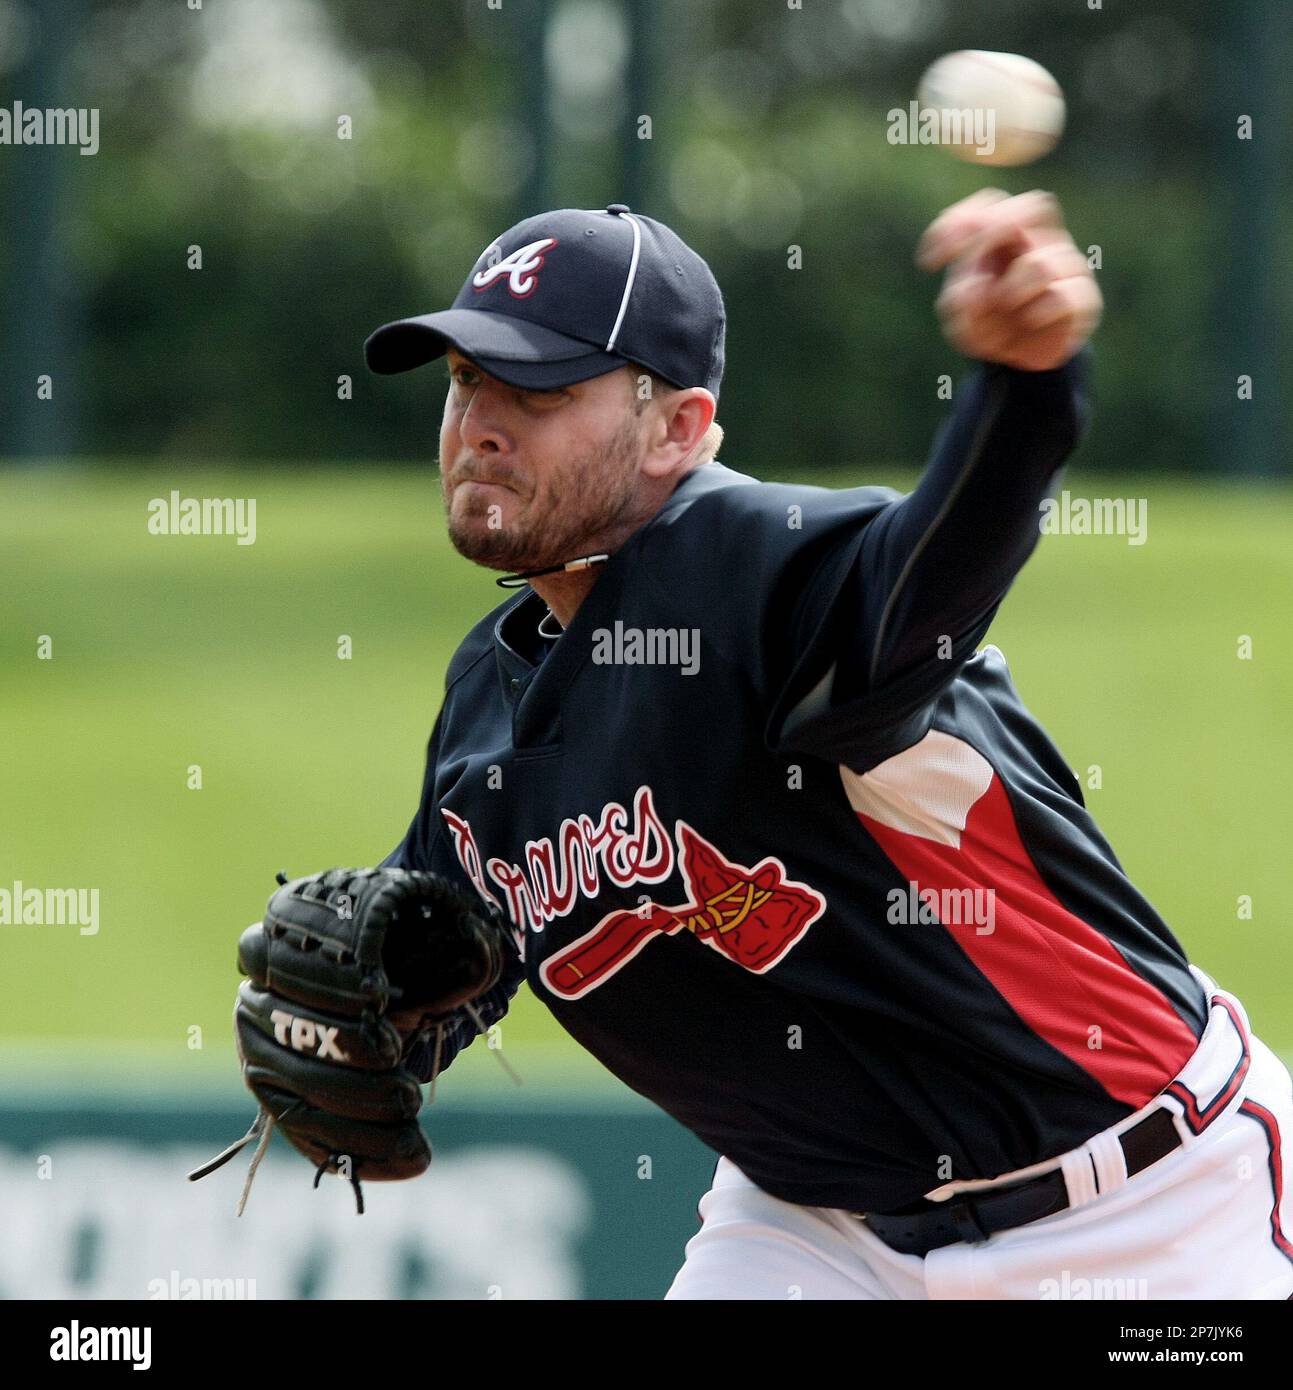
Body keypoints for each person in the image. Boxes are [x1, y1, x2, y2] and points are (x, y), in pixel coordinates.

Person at [362, 196, 1293, 1299]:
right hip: (814, 1230)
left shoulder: (761, 578)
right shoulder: (488, 695)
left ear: (678, 425)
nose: (481, 424)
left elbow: (931, 575)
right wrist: (350, 1027)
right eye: (466, 380)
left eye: (540, 389)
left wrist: (1031, 389)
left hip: (1145, 1208)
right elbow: (428, 972)